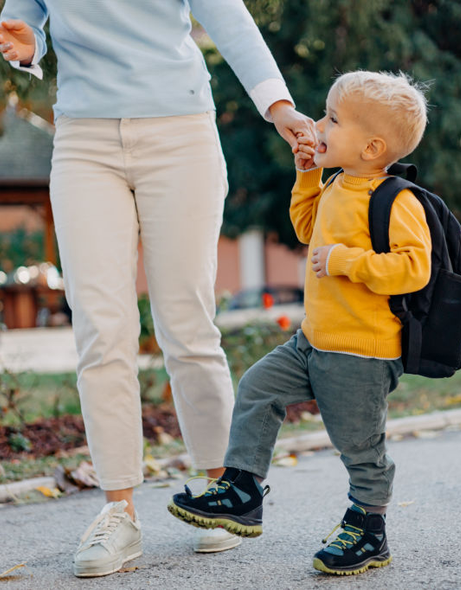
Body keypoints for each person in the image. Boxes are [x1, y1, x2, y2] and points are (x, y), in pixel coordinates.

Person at [0, 0, 316, 579]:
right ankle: (119, 510)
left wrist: (278, 106)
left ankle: (225, 493)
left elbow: (229, 18)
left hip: (180, 130)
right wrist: (27, 47)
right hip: (85, 138)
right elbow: (24, 22)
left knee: (187, 322)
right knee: (100, 329)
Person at [168, 70, 432, 576]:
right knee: (257, 387)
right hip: (311, 340)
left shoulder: (396, 200)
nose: (319, 125)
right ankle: (242, 489)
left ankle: (369, 527)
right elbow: (307, 228)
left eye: (332, 119)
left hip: (361, 352)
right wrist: (307, 175)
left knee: (359, 446)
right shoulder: (336, 185)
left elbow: (413, 268)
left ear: (372, 147)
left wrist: (345, 261)